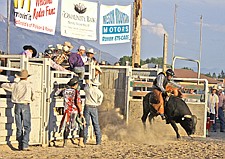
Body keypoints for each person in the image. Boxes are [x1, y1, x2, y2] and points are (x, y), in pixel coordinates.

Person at [1, 70, 34, 150]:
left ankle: (20, 144)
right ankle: (25, 145)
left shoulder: (15, 85)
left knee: (19, 126)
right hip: (25, 104)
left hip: (17, 105)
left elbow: (3, 85)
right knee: (27, 126)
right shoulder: (29, 85)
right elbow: (33, 97)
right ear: (26, 77)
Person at [55, 76, 85, 147]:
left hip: (67, 111)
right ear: (76, 84)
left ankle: (65, 142)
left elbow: (56, 93)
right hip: (75, 111)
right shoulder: (76, 92)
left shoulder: (64, 91)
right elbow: (78, 102)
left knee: (67, 126)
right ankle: (81, 141)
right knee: (81, 124)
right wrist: (81, 112)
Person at [84, 78, 103, 145]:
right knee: (96, 123)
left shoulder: (88, 89)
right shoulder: (100, 92)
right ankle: (98, 140)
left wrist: (87, 83)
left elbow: (85, 88)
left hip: (87, 106)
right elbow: (99, 102)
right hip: (94, 107)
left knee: (86, 123)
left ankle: (84, 140)